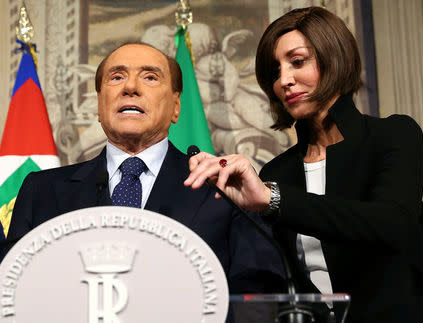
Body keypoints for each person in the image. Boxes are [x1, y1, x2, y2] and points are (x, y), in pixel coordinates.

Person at [185, 7, 423, 323]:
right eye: (275, 70)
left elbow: (392, 224)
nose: (284, 80)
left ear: (333, 57)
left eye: (297, 62)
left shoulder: (393, 134)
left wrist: (274, 200)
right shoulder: (277, 173)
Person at [0, 43, 284, 315]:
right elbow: (14, 292)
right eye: (117, 77)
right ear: (100, 105)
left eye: (150, 77)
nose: (130, 87)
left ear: (176, 106)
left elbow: (258, 295)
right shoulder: (42, 191)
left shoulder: (224, 187)